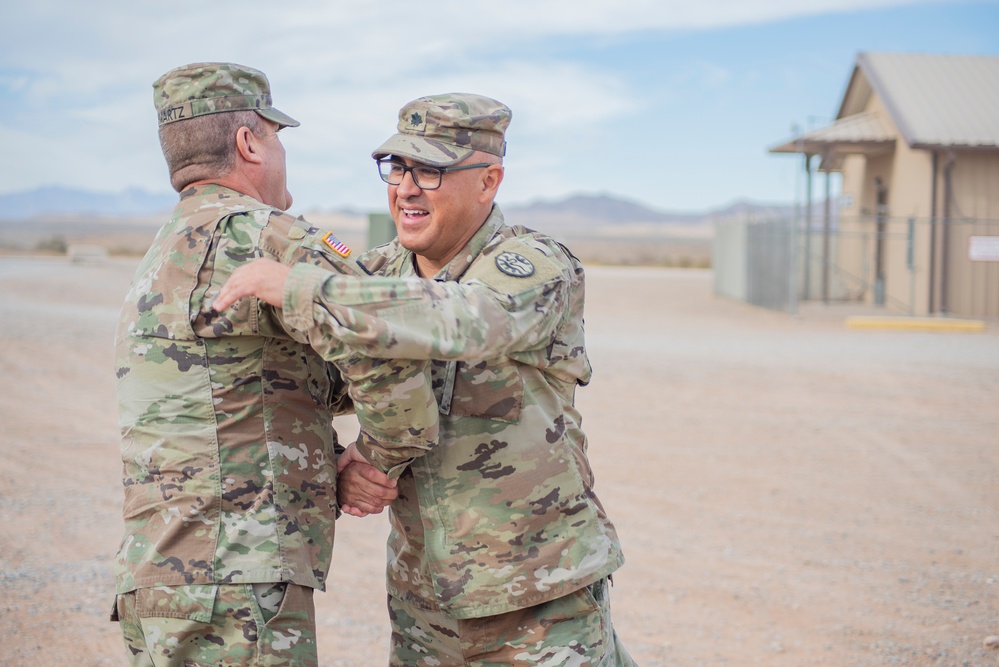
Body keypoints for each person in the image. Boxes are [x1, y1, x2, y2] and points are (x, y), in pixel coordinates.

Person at [214, 93, 634, 666]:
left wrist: (305, 289)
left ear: (488, 182)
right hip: (425, 601)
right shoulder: (378, 274)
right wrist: (356, 458)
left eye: (430, 171)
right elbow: (336, 378)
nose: (406, 188)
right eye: (398, 167)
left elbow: (467, 320)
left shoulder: (534, 264)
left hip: (540, 594)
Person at [111, 62, 439, 667]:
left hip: (157, 573)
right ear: (248, 142)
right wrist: (377, 458)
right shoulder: (273, 237)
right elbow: (389, 353)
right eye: (277, 134)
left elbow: (271, 376)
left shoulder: (161, 250)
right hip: (240, 580)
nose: (282, 150)